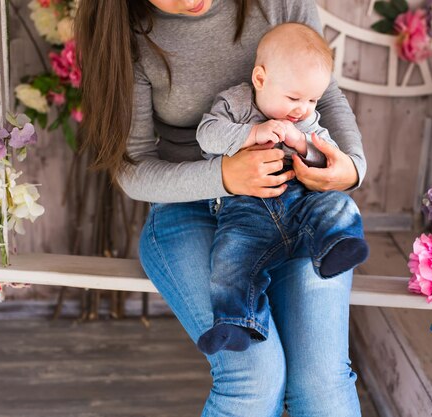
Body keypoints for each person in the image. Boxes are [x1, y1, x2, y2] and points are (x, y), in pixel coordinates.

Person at [75, 1, 367, 416]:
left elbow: (325, 94)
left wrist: (352, 167)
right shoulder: (125, 29)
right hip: (188, 209)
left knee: (321, 384)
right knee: (254, 377)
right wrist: (225, 177)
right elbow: (133, 167)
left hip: (297, 203)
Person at [195, 22, 369, 355]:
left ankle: (337, 244)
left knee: (337, 204)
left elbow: (328, 153)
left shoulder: (306, 120)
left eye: (312, 99)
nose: (302, 108)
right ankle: (236, 322)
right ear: (260, 79)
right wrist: (250, 135)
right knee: (230, 259)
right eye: (293, 97)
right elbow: (207, 135)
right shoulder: (236, 102)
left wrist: (303, 144)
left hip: (300, 200)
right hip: (244, 208)